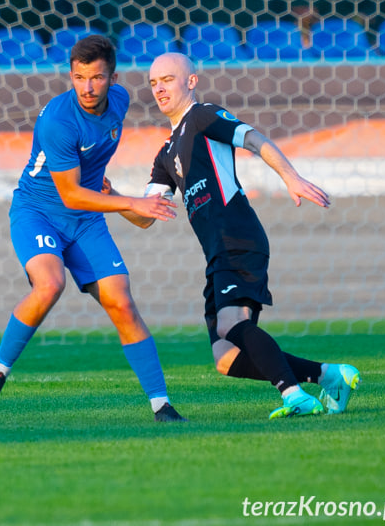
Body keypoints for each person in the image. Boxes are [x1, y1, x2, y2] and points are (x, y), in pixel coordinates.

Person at [0, 35, 187, 422]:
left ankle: (162, 406)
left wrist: (118, 192)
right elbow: (70, 194)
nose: (87, 87)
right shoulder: (59, 121)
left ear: (113, 78)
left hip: (86, 218)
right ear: (70, 75)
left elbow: (90, 184)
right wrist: (130, 201)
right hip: (39, 211)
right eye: (78, 77)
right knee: (50, 283)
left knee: (121, 301)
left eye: (97, 78)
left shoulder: (119, 101)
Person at [135, 52, 359, 419]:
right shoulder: (166, 152)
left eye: (168, 79)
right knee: (225, 357)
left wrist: (292, 178)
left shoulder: (203, 116)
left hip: (237, 236)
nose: (159, 89)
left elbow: (253, 139)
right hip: (218, 252)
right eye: (153, 83)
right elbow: (145, 217)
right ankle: (328, 375)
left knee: (231, 325)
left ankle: (293, 395)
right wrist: (110, 199)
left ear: (190, 81)